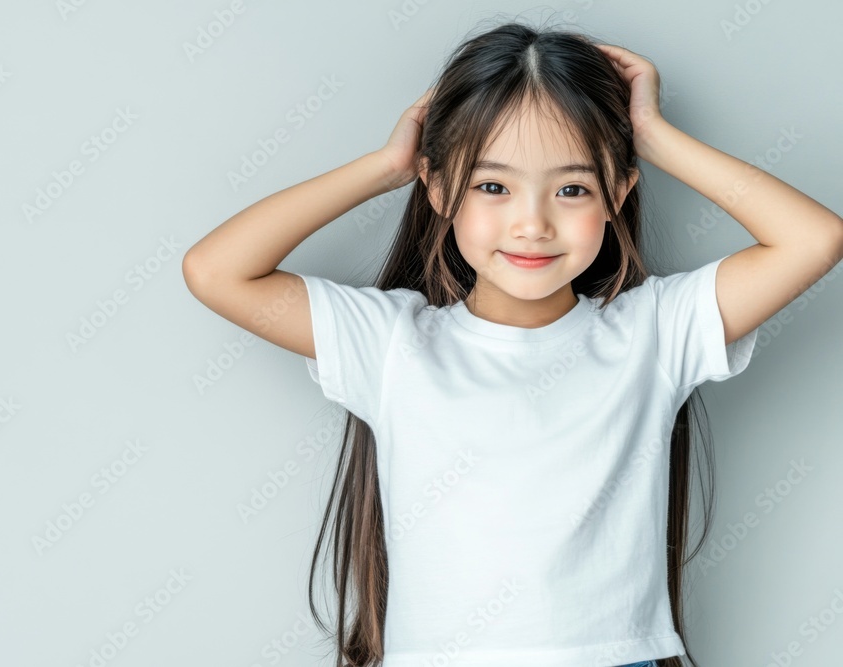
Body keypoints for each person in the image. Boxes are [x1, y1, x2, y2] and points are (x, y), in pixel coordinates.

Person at [182, 19, 843, 667]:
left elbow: (813, 239)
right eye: (492, 185)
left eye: (573, 188)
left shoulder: (653, 332)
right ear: (440, 188)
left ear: (617, 193)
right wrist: (388, 166)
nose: (533, 223)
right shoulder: (390, 343)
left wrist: (655, 138)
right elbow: (216, 270)